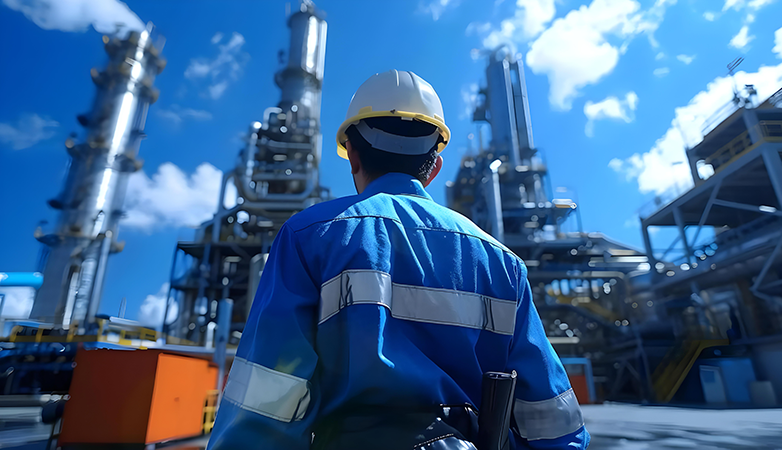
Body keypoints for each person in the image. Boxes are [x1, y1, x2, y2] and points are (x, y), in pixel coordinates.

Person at [208, 70, 590, 449]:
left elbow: (265, 400)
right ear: (434, 166)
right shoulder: (503, 264)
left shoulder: (309, 236)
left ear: (353, 156)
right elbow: (552, 422)